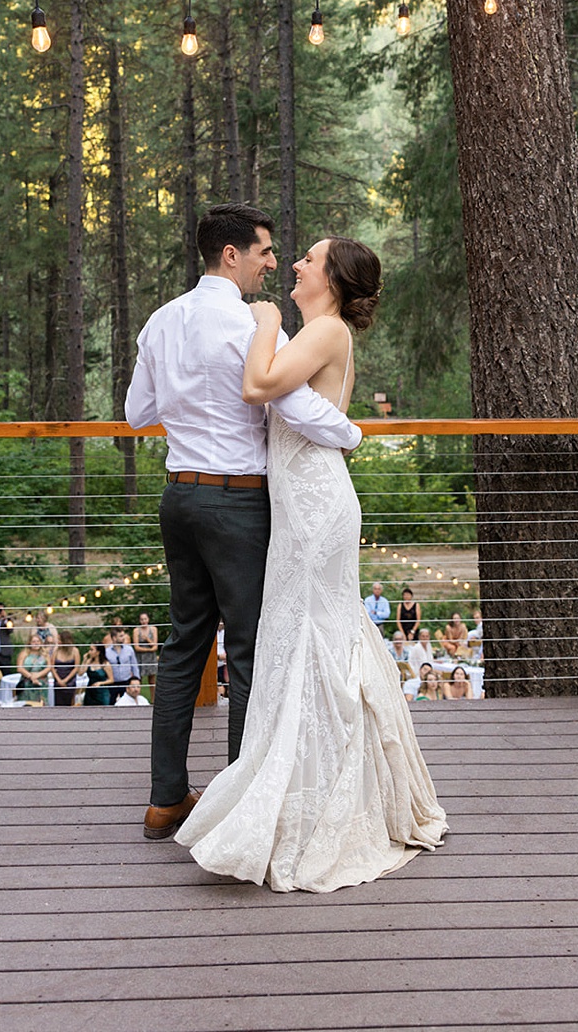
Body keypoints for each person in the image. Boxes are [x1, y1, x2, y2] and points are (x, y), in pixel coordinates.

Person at [176, 234, 447, 891]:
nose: (294, 264)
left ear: (332, 279)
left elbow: (256, 385)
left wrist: (265, 320)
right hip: (302, 503)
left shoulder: (323, 330)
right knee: (306, 639)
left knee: (315, 639)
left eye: (309, 259)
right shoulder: (319, 332)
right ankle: (320, 783)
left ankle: (330, 795)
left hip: (318, 506)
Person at [125, 204, 362, 842]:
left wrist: (189, 410)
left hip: (180, 497)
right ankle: (238, 799)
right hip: (239, 502)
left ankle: (165, 799)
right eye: (262, 251)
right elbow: (300, 407)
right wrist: (351, 432)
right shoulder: (255, 325)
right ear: (230, 254)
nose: (270, 263)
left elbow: (136, 413)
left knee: (183, 645)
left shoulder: (162, 320)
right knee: (252, 646)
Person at [106, 629, 140, 702]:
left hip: (126, 682)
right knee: (111, 703)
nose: (123, 638)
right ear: (114, 638)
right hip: (112, 683)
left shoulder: (129, 649)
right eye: (121, 636)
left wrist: (137, 679)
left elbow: (134, 666)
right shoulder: (107, 652)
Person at [16, 632, 50, 704]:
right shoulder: (24, 653)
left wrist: (38, 675)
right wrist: (31, 677)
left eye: (38, 641)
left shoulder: (45, 654)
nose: (36, 643)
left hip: (41, 684)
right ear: (29, 643)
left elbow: (49, 667)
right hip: (27, 684)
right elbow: (19, 668)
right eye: (34, 642)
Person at [50, 630, 80, 707]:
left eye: (60, 640)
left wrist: (65, 680)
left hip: (70, 681)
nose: (58, 642)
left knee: (70, 703)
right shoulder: (56, 650)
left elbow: (76, 668)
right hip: (58, 679)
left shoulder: (75, 651)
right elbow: (52, 667)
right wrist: (59, 680)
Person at [133, 611, 160, 692]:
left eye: (145, 619)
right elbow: (136, 647)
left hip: (151, 658)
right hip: (140, 657)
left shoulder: (154, 629)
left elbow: (155, 646)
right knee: (139, 679)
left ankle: (153, 701)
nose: (143, 621)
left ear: (148, 619)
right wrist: (149, 649)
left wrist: (147, 639)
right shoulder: (136, 630)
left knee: (152, 680)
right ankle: (138, 699)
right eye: (142, 619)